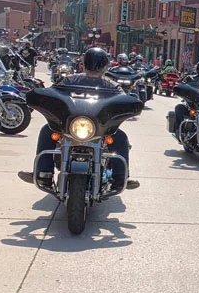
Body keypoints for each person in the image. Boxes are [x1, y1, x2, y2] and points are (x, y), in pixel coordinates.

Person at [18, 48, 137, 191]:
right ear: (106, 66)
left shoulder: (106, 85)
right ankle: (43, 173)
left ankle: (121, 177)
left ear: (83, 63)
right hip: (72, 126)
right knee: (47, 130)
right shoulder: (76, 80)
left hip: (99, 127)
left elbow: (123, 100)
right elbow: (53, 93)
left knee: (120, 137)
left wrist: (129, 105)